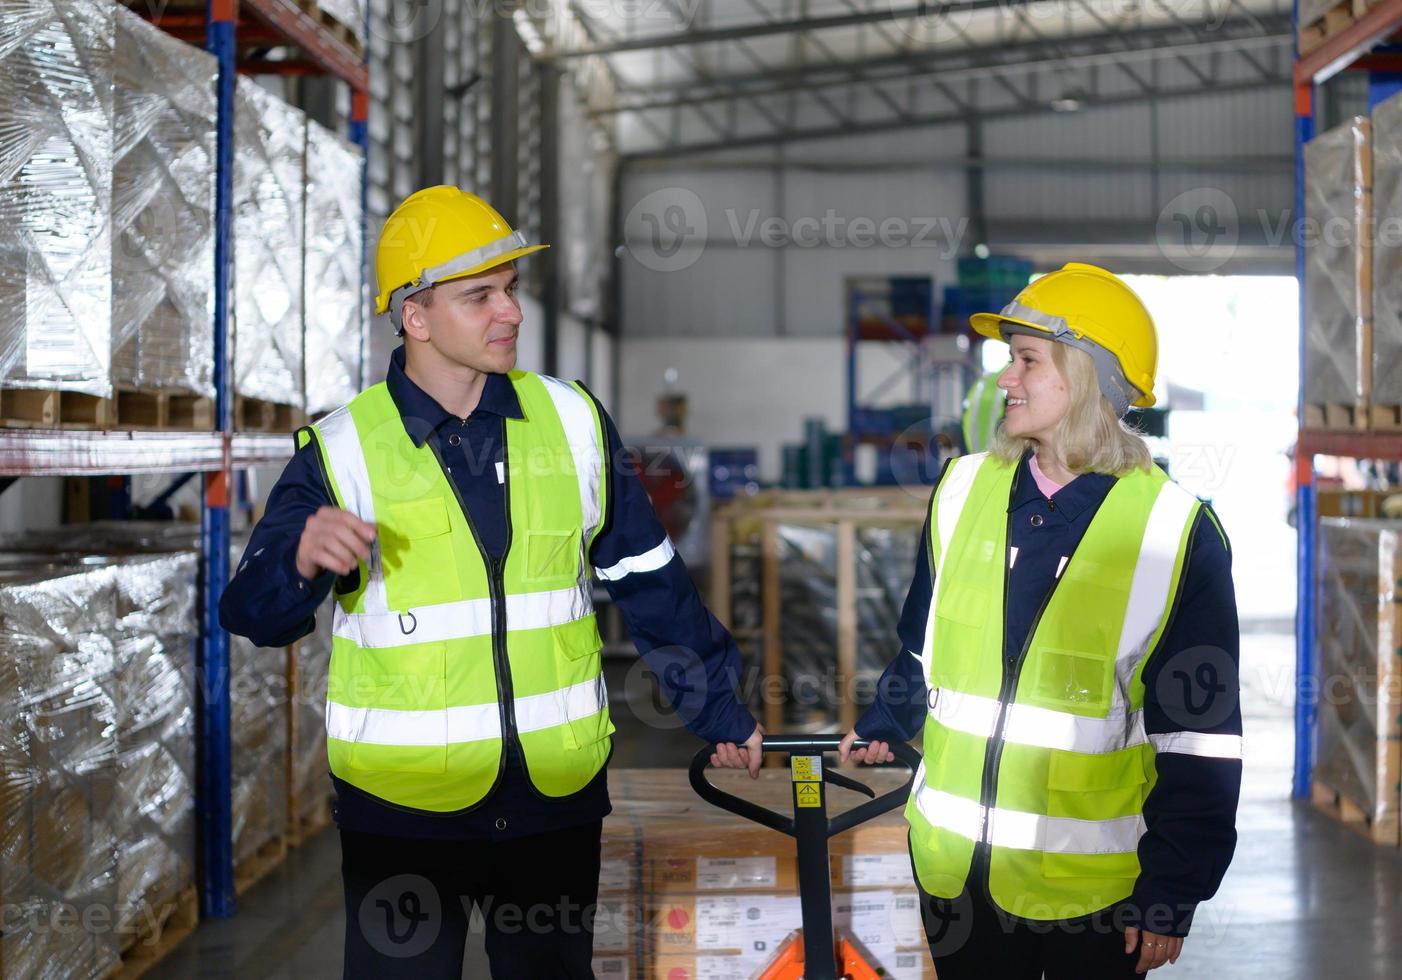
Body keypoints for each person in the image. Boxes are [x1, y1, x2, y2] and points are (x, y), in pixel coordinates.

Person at [220, 185, 763, 979]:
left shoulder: (572, 421)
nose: (508, 312)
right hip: (402, 817)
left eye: (509, 290)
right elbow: (253, 613)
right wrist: (298, 559)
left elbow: (649, 579)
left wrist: (717, 709)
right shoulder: (341, 450)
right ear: (415, 316)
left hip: (553, 802)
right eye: (480, 296)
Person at [839, 263, 1241, 978]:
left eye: (1025, 359)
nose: (1004, 381)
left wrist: (1171, 894)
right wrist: (884, 718)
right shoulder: (961, 489)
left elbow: (1198, 737)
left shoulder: (1175, 531)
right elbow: (921, 648)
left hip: (1091, 897)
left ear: (1085, 375)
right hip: (954, 877)